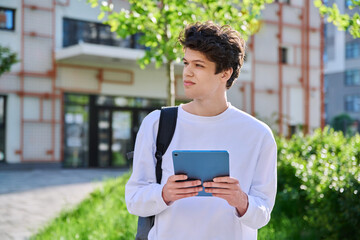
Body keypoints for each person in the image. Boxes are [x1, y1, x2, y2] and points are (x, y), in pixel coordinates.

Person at [125, 21, 277, 240]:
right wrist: (164, 194)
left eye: (199, 65)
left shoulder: (258, 135)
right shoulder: (158, 124)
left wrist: (241, 201)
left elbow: (262, 215)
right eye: (186, 62)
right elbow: (134, 200)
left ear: (225, 73)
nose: (187, 72)